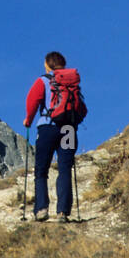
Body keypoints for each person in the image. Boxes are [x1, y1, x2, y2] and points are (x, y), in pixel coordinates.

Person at [23, 51, 80, 222]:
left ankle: (41, 209)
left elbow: (32, 101)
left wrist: (28, 120)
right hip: (69, 127)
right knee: (65, 168)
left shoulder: (43, 80)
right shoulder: (72, 82)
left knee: (41, 170)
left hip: (48, 127)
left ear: (47, 64)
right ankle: (62, 212)